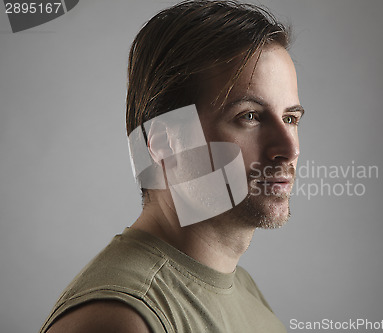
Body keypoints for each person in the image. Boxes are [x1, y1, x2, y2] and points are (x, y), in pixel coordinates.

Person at [40, 0, 304, 332]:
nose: (289, 148)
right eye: (249, 117)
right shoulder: (124, 317)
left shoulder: (242, 287)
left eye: (291, 118)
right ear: (165, 143)